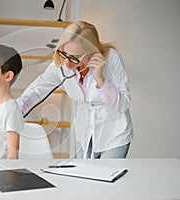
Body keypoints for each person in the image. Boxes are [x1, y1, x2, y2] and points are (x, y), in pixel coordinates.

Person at [17, 21, 133, 159]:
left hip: (114, 134)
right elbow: (38, 89)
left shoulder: (112, 58)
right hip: (84, 134)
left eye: (75, 57)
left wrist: (100, 79)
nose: (67, 62)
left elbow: (123, 104)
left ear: (92, 52)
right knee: (83, 176)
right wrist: (12, 111)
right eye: (64, 53)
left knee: (106, 177)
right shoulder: (62, 63)